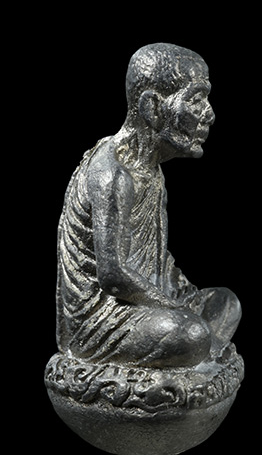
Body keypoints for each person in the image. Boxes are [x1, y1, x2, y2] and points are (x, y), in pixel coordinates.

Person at [56, 43, 241, 368]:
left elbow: (156, 260)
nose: (209, 114)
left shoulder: (151, 171)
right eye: (196, 100)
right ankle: (198, 350)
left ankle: (197, 352)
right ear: (152, 108)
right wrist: (173, 308)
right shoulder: (113, 174)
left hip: (148, 296)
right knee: (192, 333)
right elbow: (113, 276)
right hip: (104, 316)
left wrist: (179, 295)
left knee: (226, 303)